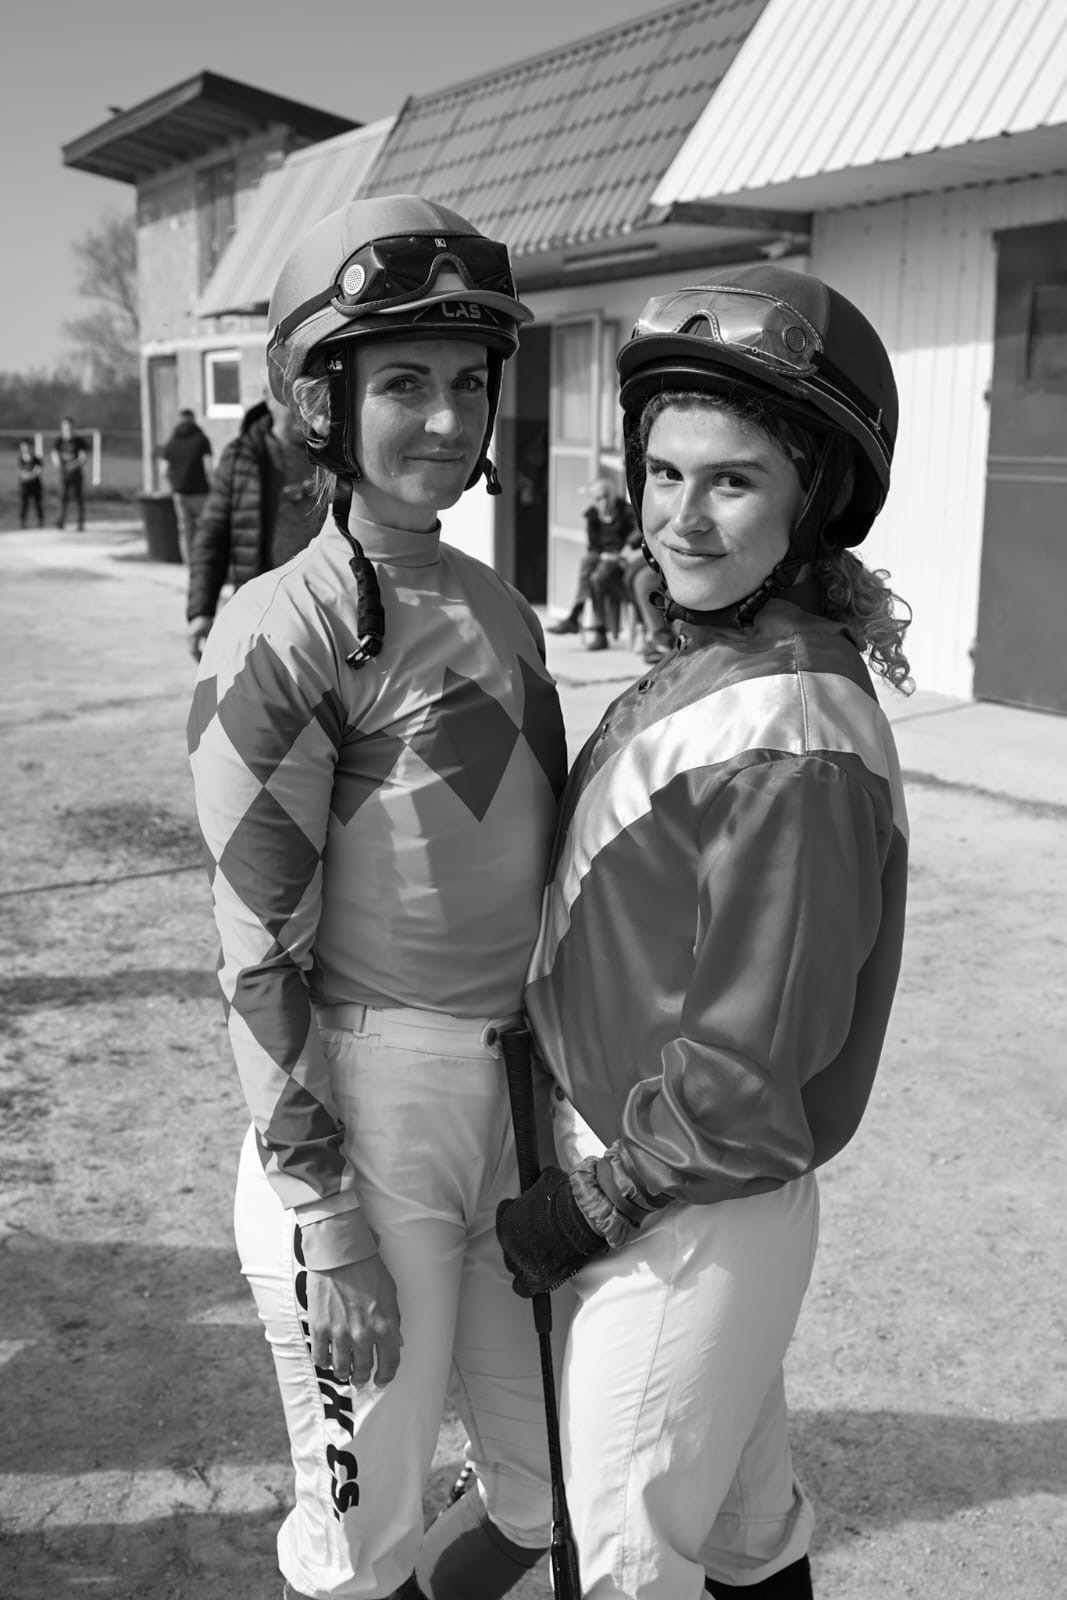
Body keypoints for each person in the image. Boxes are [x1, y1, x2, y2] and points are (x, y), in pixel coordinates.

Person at [497, 265, 912, 1599]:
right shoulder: (723, 663)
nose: (680, 515)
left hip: (682, 1201)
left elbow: (751, 1049)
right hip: (682, 1188)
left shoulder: (786, 731)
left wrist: (598, 1200)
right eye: (664, 473)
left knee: (625, 1559)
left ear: (809, 502)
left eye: (730, 481)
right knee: (742, 1530)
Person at [187, 195, 568, 1600]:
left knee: (548, 1495)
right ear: (319, 403)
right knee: (361, 1544)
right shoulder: (277, 627)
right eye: (403, 382)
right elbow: (255, 952)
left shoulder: (503, 607)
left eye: (468, 381)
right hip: (367, 1122)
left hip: (511, 1099)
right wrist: (327, 1217)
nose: (447, 418)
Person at [185, 399, 316, 659]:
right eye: (290, 394)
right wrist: (201, 610)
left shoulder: (344, 454)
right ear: (269, 395)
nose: (302, 406)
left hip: (331, 614)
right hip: (264, 616)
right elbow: (213, 535)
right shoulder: (243, 456)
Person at [547, 475, 637, 650]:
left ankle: (583, 622)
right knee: (588, 564)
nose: (603, 502)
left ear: (612, 495)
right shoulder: (593, 516)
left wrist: (626, 547)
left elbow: (638, 531)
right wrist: (602, 556)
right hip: (601, 557)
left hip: (621, 558)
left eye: (606, 496)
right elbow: (593, 546)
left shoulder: (625, 511)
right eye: (598, 498)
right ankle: (579, 618)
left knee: (596, 575)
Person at [160, 407, 213, 564]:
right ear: (194, 420)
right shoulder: (202, 439)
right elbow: (208, 468)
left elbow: (163, 471)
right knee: (205, 527)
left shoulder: (172, 441)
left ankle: (189, 564)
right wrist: (214, 488)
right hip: (200, 492)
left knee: (185, 529)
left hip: (180, 493)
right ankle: (204, 562)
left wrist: (174, 486)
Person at [51, 416, 88, 530]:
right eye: (65, 427)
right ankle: (60, 521)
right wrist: (59, 465)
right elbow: (54, 454)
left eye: (69, 427)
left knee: (78, 497)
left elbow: (83, 457)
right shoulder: (59, 441)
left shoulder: (79, 441)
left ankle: (80, 523)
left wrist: (73, 465)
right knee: (62, 497)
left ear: (73, 427)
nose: (67, 429)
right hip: (63, 474)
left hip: (76, 473)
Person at [16, 439, 44, 527]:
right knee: (24, 504)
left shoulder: (36, 459)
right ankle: (22, 522)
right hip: (25, 485)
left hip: (36, 485)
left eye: (27, 447)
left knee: (38, 503)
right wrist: (29, 475)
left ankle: (40, 521)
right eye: (23, 447)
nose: (26, 449)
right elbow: (21, 472)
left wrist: (30, 475)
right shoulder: (20, 459)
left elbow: (38, 470)